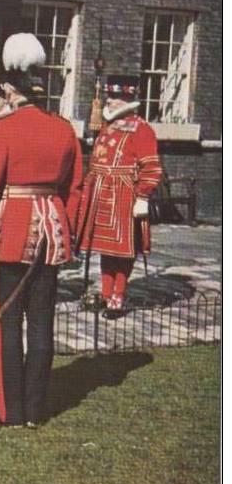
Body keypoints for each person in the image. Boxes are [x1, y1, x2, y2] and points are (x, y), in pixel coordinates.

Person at [0, 33, 83, 428]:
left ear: (12, 89)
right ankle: (36, 410)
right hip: (53, 232)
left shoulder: (1, 130)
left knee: (7, 322)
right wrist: (70, 231)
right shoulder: (64, 129)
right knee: (43, 322)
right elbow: (74, 188)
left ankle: (11, 411)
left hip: (12, 230)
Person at [75, 74, 162, 318]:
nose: (109, 101)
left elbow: (151, 166)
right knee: (104, 248)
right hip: (101, 190)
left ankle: (118, 296)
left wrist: (143, 196)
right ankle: (105, 293)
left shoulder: (142, 129)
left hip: (125, 193)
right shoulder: (107, 126)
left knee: (123, 250)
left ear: (128, 98)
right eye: (109, 96)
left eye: (115, 97)